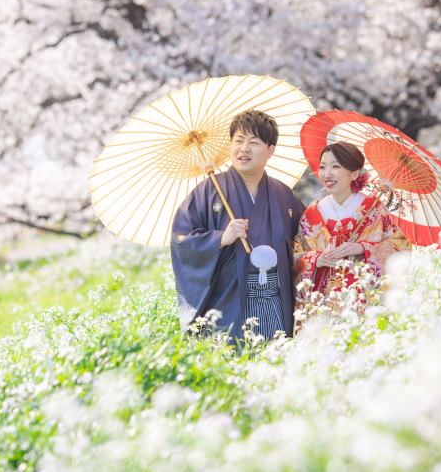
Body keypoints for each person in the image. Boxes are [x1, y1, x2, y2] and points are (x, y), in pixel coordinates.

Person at [171, 109, 306, 343]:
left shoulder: (283, 194)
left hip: (275, 297)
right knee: (232, 356)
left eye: (254, 142)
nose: (244, 148)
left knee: (274, 355)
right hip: (228, 300)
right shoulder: (208, 192)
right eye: (238, 140)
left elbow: (305, 239)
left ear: (270, 150)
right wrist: (220, 239)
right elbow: (181, 241)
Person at [292, 141, 411, 311]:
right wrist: (316, 260)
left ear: (354, 174)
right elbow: (295, 254)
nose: (327, 174)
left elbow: (401, 248)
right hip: (322, 305)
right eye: (323, 167)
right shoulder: (311, 214)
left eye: (335, 166)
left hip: (364, 303)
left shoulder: (375, 210)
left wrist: (363, 248)